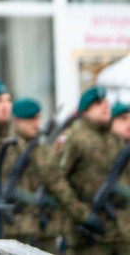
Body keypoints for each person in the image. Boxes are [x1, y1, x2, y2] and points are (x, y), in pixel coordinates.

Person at [50, 86, 129, 254]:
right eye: (98, 103)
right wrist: (82, 214)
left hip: (120, 233)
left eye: (106, 102)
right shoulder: (74, 138)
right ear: (85, 111)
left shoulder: (115, 139)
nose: (105, 106)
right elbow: (55, 179)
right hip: (87, 237)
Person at [6, 98, 62, 253]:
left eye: (38, 118)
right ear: (17, 121)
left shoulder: (42, 149)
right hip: (15, 230)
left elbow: (56, 182)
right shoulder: (6, 147)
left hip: (45, 229)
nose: (36, 124)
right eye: (31, 119)